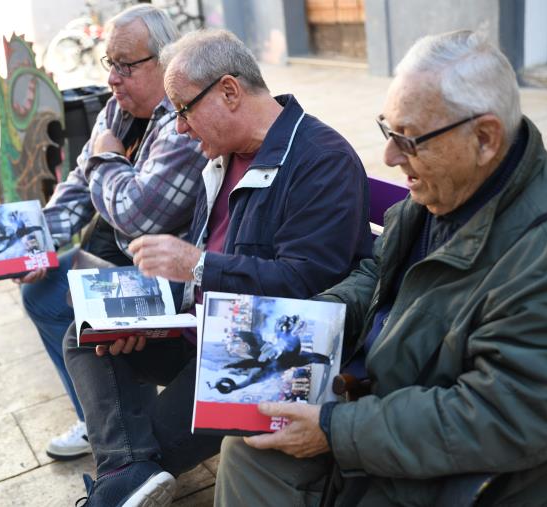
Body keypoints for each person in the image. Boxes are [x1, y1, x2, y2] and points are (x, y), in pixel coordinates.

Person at [213, 29, 547, 507]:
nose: (390, 157)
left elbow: (504, 417)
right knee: (248, 449)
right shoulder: (445, 189)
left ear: (484, 138)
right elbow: (377, 274)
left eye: (408, 140)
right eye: (388, 130)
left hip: (482, 477)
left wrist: (337, 430)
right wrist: (307, 323)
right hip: (403, 407)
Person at [64, 29, 373, 506]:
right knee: (85, 335)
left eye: (183, 110)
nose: (181, 129)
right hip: (199, 328)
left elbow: (307, 285)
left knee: (139, 458)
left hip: (258, 352)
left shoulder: (321, 159)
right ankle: (125, 467)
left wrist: (197, 265)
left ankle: (121, 475)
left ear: (229, 91)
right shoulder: (222, 156)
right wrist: (150, 315)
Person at [18, 4, 208, 461]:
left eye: (126, 66)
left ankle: (120, 431)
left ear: (164, 61)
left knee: (83, 328)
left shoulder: (181, 121)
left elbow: (138, 214)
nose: (113, 79)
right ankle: (95, 419)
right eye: (110, 64)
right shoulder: (118, 109)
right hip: (112, 252)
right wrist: (37, 240)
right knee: (41, 290)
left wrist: (106, 156)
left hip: (160, 270)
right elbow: (81, 183)